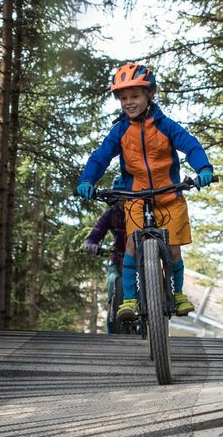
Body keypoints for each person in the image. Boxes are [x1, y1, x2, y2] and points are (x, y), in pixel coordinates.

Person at [76, 62, 215, 321]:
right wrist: (87, 180)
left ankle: (178, 293)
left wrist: (203, 168)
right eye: (124, 98)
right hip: (136, 197)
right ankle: (129, 300)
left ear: (150, 94)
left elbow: (191, 146)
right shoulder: (120, 130)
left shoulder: (165, 125)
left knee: (173, 248)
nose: (129, 102)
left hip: (168, 195)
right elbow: (100, 157)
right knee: (131, 244)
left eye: (135, 96)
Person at [83, 175, 128, 333]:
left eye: (125, 194)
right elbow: (95, 234)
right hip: (118, 257)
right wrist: (91, 244)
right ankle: (112, 328)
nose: (122, 199)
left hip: (139, 259)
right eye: (118, 195)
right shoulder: (110, 214)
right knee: (112, 281)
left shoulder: (139, 211)